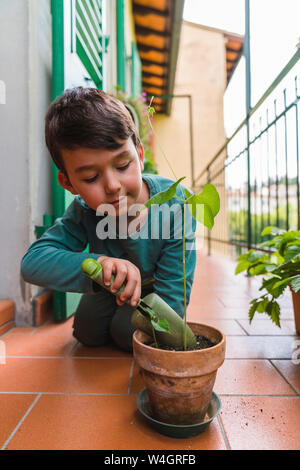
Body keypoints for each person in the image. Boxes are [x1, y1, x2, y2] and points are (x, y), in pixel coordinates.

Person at [21, 87, 196, 352]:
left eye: (123, 165)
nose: (112, 186)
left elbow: (174, 292)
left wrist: (166, 324)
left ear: (139, 154)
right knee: (86, 333)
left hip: (157, 294)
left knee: (126, 333)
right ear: (68, 183)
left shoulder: (177, 203)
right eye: (91, 178)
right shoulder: (83, 210)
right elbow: (32, 263)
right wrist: (99, 264)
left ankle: (125, 323)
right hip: (111, 290)